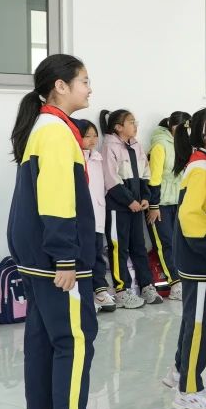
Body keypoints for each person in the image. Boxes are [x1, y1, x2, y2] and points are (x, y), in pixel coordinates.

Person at [9, 54, 123, 409]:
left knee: (43, 341)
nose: (90, 89)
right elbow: (57, 199)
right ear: (60, 86)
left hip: (35, 255)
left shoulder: (43, 127)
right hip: (55, 257)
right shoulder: (57, 132)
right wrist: (65, 258)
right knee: (74, 340)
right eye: (84, 81)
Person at [168, 109, 206, 409]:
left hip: (195, 259)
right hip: (200, 260)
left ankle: (180, 371)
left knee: (194, 320)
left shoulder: (201, 161)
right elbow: (191, 215)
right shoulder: (203, 167)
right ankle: (189, 390)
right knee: (200, 325)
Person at [99, 108, 156, 308]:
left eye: (135, 121)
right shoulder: (109, 146)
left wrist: (145, 197)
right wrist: (129, 201)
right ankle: (122, 290)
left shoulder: (136, 146)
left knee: (139, 246)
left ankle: (146, 285)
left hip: (137, 206)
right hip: (119, 207)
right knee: (119, 248)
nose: (135, 125)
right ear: (118, 127)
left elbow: (145, 173)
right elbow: (111, 179)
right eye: (131, 122)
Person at [148, 111, 191, 299]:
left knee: (180, 242)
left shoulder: (184, 144)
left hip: (178, 201)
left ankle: (184, 279)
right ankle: (175, 283)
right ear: (173, 126)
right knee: (165, 243)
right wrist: (154, 205)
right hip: (161, 203)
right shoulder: (160, 145)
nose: (186, 131)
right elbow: (154, 178)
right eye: (183, 127)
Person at [74, 120, 115, 312]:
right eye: (87, 136)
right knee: (83, 256)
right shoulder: (74, 157)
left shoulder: (98, 158)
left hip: (98, 215)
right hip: (80, 217)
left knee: (97, 254)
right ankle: (84, 295)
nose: (92, 140)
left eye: (94, 136)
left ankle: (100, 291)